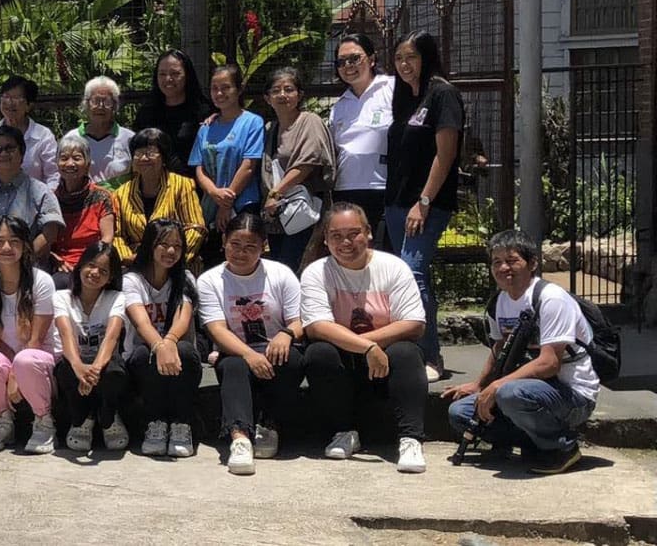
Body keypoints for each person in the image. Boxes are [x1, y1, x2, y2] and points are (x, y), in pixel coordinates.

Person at [444, 230, 598, 475]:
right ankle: (535, 443)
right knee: (461, 412)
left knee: (508, 393)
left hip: (572, 394)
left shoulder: (550, 299)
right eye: (497, 262)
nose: (504, 268)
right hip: (531, 389)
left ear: (532, 263)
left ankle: (563, 447)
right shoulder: (499, 302)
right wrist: (479, 385)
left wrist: (495, 387)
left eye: (512, 260)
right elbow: (499, 349)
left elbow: (549, 363)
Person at [301, 202, 428, 473]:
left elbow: (415, 323)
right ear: (325, 239)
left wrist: (372, 345)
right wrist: (367, 346)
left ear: (368, 233)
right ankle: (343, 431)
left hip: (386, 361)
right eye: (336, 236)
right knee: (318, 353)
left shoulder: (393, 267)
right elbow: (316, 327)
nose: (345, 242)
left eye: (353, 233)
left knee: (407, 352)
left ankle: (411, 438)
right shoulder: (317, 271)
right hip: (345, 361)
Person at [198, 214, 306, 476]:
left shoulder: (280, 274)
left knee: (292, 360)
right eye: (235, 245)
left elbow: (299, 320)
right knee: (234, 366)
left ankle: (270, 423)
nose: (241, 253)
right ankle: (240, 437)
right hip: (235, 350)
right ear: (224, 242)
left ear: (263, 247)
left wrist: (286, 334)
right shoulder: (209, 280)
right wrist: (249, 354)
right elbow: (216, 328)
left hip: (275, 348)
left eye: (250, 247)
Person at [384, 31, 464, 380]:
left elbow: (445, 155)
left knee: (413, 274)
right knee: (402, 278)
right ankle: (408, 354)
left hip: (426, 205)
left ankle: (432, 357)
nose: (404, 65)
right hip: (396, 204)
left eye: (411, 57)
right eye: (399, 58)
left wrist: (424, 202)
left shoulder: (443, 94)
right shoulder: (404, 98)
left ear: (427, 57)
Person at [0, 217, 58, 453]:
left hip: (39, 360)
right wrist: (11, 372)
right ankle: (2, 420)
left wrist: (15, 375)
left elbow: (36, 341)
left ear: (25, 246)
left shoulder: (42, 282)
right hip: (9, 359)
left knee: (26, 359)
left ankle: (44, 421)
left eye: (14, 241)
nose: (7, 248)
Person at [122, 218, 202, 458]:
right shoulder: (131, 280)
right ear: (149, 244)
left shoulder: (185, 278)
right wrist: (159, 345)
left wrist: (168, 343)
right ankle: (154, 423)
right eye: (163, 244)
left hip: (178, 354)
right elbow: (141, 321)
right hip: (143, 357)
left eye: (177, 246)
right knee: (144, 354)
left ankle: (181, 424)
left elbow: (183, 318)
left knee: (186, 352)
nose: (170, 251)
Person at [50, 242, 130, 453]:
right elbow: (66, 336)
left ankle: (109, 417)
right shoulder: (61, 297)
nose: (95, 273)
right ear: (81, 265)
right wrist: (78, 367)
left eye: (103, 271)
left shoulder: (116, 298)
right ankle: (82, 419)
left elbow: (111, 339)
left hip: (102, 362)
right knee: (65, 370)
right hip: (75, 360)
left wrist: (93, 371)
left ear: (111, 277)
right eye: (91, 265)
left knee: (113, 372)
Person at [0, 125, 63, 271]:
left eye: (9, 148)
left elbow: (50, 232)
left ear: (22, 152)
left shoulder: (41, 192)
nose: (3, 153)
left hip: (29, 268)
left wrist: (21, 262)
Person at [263, 67, 334, 271]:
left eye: (288, 89)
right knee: (278, 269)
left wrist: (276, 193)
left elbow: (307, 163)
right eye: (276, 91)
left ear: (300, 94)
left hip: (304, 212)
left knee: (296, 267)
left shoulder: (309, 121)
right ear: (267, 98)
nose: (282, 95)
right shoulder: (270, 128)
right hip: (277, 215)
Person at [330, 33, 396, 238]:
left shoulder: (392, 88)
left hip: (384, 189)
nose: (348, 65)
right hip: (345, 191)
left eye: (355, 59)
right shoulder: (339, 106)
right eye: (341, 62)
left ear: (372, 59)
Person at [191, 64, 266, 234]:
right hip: (211, 205)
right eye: (214, 88)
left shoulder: (253, 122)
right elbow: (199, 167)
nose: (219, 93)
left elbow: (249, 166)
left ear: (239, 90)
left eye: (226, 88)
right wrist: (213, 192)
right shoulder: (205, 127)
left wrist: (226, 203)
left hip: (243, 204)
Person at [112, 129, 206, 263]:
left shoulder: (182, 185)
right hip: (135, 265)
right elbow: (117, 235)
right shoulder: (120, 193)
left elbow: (196, 228)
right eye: (138, 153)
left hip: (175, 263)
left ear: (164, 157)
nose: (144, 158)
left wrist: (170, 257)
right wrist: (130, 258)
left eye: (150, 153)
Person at [49, 132, 117, 286]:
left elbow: (107, 239)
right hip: (61, 265)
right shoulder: (50, 198)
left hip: (94, 264)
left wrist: (88, 265)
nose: (70, 164)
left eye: (77, 158)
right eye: (64, 158)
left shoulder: (102, 196)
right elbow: (44, 239)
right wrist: (52, 257)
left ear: (87, 163)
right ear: (57, 164)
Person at [137, 50, 211, 169]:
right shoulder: (146, 113)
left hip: (195, 183)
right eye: (162, 74)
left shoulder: (204, 112)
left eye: (175, 73)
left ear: (187, 75)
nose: (168, 78)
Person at [0, 74, 60, 185]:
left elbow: (53, 176)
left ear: (29, 105)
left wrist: (44, 199)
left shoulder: (43, 136)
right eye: (6, 97)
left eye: (16, 98)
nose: (10, 102)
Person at [77, 77, 135, 184]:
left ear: (115, 106)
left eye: (107, 101)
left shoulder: (129, 138)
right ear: (86, 104)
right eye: (95, 101)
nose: (100, 106)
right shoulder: (72, 138)